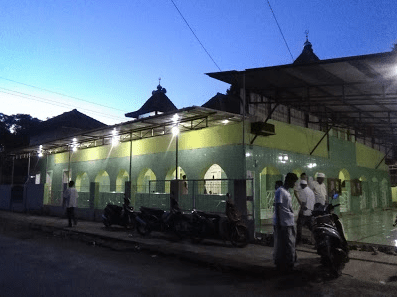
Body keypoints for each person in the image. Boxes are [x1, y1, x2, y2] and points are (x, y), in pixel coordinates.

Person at [273, 172, 298, 272]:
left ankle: (288, 262)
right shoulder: (280, 191)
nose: (294, 184)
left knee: (289, 243)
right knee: (285, 244)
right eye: (293, 182)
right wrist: (278, 222)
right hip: (283, 222)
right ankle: (286, 264)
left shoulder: (287, 192)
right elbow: (278, 207)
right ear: (289, 180)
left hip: (289, 221)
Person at [296, 180, 315, 245]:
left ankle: (299, 241)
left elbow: (303, 203)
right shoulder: (311, 191)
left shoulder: (303, 191)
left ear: (302, 185)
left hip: (304, 212)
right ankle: (315, 239)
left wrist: (301, 210)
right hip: (310, 211)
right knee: (311, 227)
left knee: (299, 225)